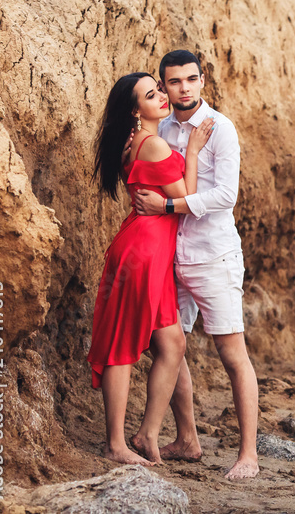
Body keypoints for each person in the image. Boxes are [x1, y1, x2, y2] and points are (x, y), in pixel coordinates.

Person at [133, 50, 260, 480]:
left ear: (202, 80)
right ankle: (187, 439)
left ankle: (248, 455)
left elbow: (226, 195)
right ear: (165, 87)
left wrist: (167, 206)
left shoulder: (220, 128)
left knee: (232, 353)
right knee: (167, 346)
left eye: (191, 79)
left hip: (213, 256)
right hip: (172, 256)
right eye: (174, 81)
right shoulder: (162, 128)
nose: (183, 88)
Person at [88, 72, 214, 466]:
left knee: (173, 345)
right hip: (142, 253)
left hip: (149, 252)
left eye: (158, 89)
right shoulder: (153, 144)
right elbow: (187, 197)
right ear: (134, 110)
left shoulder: (137, 141)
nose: (161, 96)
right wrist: (192, 152)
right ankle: (115, 444)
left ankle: (146, 433)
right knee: (121, 346)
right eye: (150, 94)